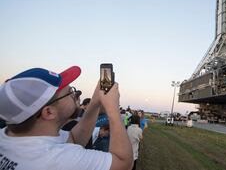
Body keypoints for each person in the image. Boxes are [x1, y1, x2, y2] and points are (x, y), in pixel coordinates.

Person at [0, 66, 133, 170]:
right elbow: (123, 163)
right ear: (49, 112)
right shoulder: (56, 161)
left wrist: (95, 102)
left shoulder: (10, 137)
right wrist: (113, 109)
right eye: (70, 92)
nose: (75, 95)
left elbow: (74, 139)